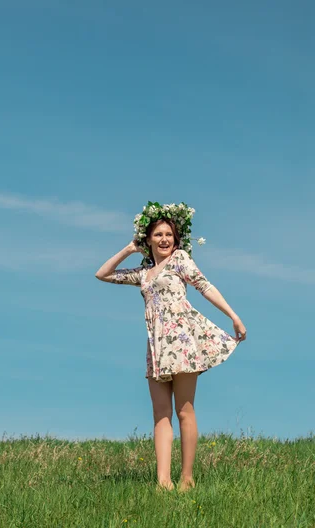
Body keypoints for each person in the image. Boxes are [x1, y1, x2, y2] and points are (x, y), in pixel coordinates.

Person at [95, 202, 247, 493]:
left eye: (169, 235)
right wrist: (129, 248)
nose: (164, 239)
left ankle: (187, 478)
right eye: (158, 235)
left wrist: (233, 316)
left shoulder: (180, 259)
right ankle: (162, 482)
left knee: (184, 410)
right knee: (160, 414)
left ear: (176, 240)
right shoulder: (143, 274)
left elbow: (205, 286)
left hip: (182, 342)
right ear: (148, 239)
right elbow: (102, 274)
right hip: (157, 346)